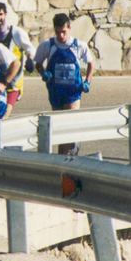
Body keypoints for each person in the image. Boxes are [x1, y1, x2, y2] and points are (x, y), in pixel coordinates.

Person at [34, 13, 95, 155]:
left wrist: (88, 81)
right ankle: (69, 151)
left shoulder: (79, 45)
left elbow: (90, 63)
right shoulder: (47, 45)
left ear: (69, 28)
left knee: (69, 124)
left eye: (64, 32)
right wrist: (43, 73)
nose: (61, 36)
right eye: (57, 32)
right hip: (55, 92)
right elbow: (38, 63)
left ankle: (66, 155)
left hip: (73, 92)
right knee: (60, 128)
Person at [0, 1, 36, 117]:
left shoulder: (16, 33)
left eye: (0, 14)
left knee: (3, 116)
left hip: (13, 84)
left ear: (6, 15)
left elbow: (30, 49)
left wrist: (30, 60)